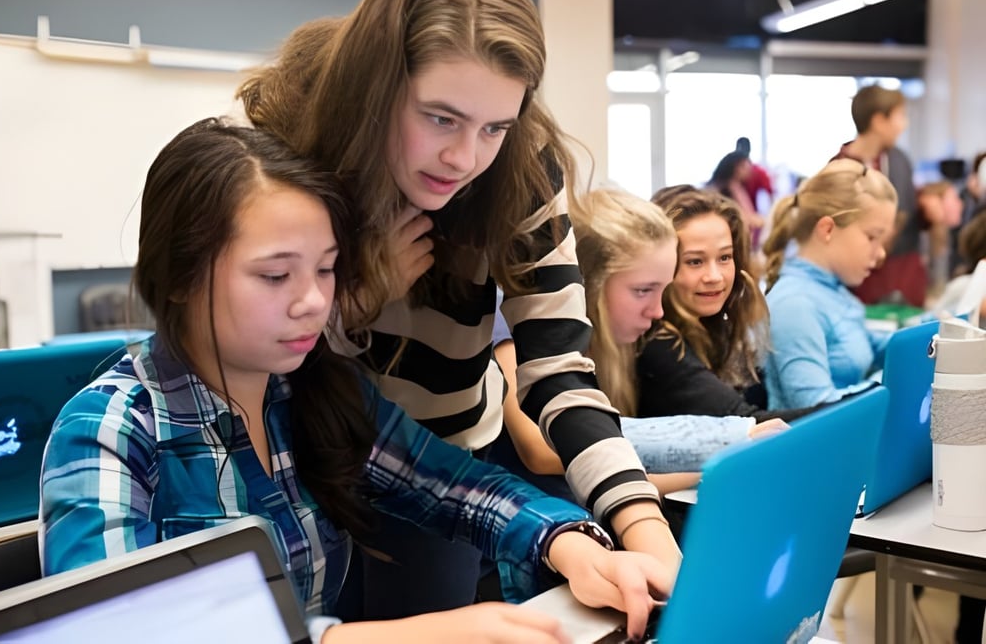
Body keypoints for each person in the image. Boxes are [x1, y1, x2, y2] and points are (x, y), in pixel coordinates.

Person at [38, 118, 671, 643]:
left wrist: (569, 541)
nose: (314, 302)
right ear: (178, 276)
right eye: (275, 275)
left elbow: (456, 487)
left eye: (327, 269)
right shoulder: (112, 430)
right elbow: (111, 634)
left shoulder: (310, 391)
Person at [237, 0, 679, 619]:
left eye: (495, 126)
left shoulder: (521, 168)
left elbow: (557, 371)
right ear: (377, 88)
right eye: (439, 118)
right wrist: (358, 297)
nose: (463, 157)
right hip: (294, 455)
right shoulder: (294, 150)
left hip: (438, 466)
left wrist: (646, 530)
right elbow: (253, 349)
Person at [488, 188, 787, 500]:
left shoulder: (617, 344)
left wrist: (716, 465)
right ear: (590, 281)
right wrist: (723, 442)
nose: (657, 311)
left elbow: (619, 471)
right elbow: (541, 449)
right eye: (643, 290)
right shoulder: (512, 325)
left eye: (662, 291)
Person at [642, 184, 815, 422]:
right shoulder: (658, 343)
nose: (715, 276)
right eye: (695, 262)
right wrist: (874, 401)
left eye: (724, 257)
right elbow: (748, 424)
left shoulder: (717, 326)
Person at [762, 158, 898, 410]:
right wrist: (889, 385)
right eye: (872, 237)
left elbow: (872, 345)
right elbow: (815, 408)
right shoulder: (795, 304)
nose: (880, 254)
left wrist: (933, 334)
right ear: (827, 229)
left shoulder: (834, 291)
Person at [832, 84, 924, 307]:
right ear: (878, 121)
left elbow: (910, 210)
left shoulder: (900, 161)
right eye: (900, 116)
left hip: (902, 274)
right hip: (859, 283)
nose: (904, 125)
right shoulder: (839, 169)